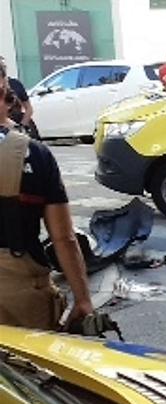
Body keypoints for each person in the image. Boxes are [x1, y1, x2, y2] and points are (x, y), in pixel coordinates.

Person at [0, 65, 94, 331]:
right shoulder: (36, 155)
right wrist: (83, 299)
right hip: (19, 297)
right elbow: (63, 238)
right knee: (27, 372)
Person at [0, 57, 34, 134]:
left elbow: (29, 108)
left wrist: (22, 126)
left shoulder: (16, 84)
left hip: (18, 124)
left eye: (3, 66)